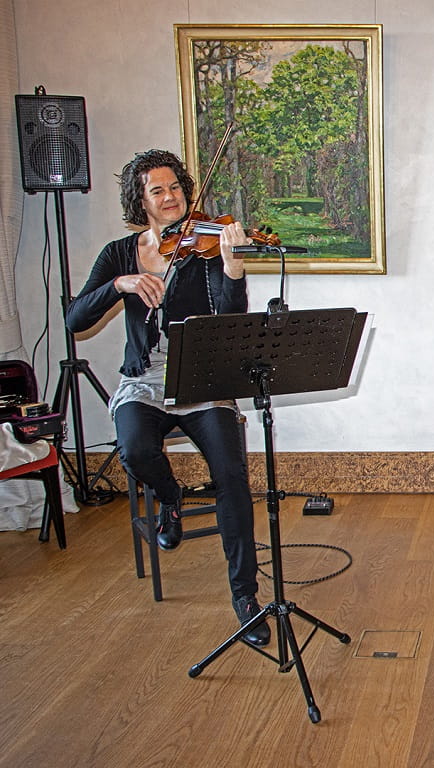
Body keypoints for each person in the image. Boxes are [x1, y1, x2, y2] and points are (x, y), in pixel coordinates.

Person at [65, 149, 270, 645]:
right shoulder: (120, 253)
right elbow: (75, 320)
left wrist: (233, 269)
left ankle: (245, 596)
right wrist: (120, 284)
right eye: (157, 190)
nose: (170, 197)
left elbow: (229, 320)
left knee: (232, 478)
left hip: (202, 379)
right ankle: (171, 496)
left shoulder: (205, 246)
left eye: (175, 187)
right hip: (145, 379)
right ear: (142, 201)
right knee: (134, 449)